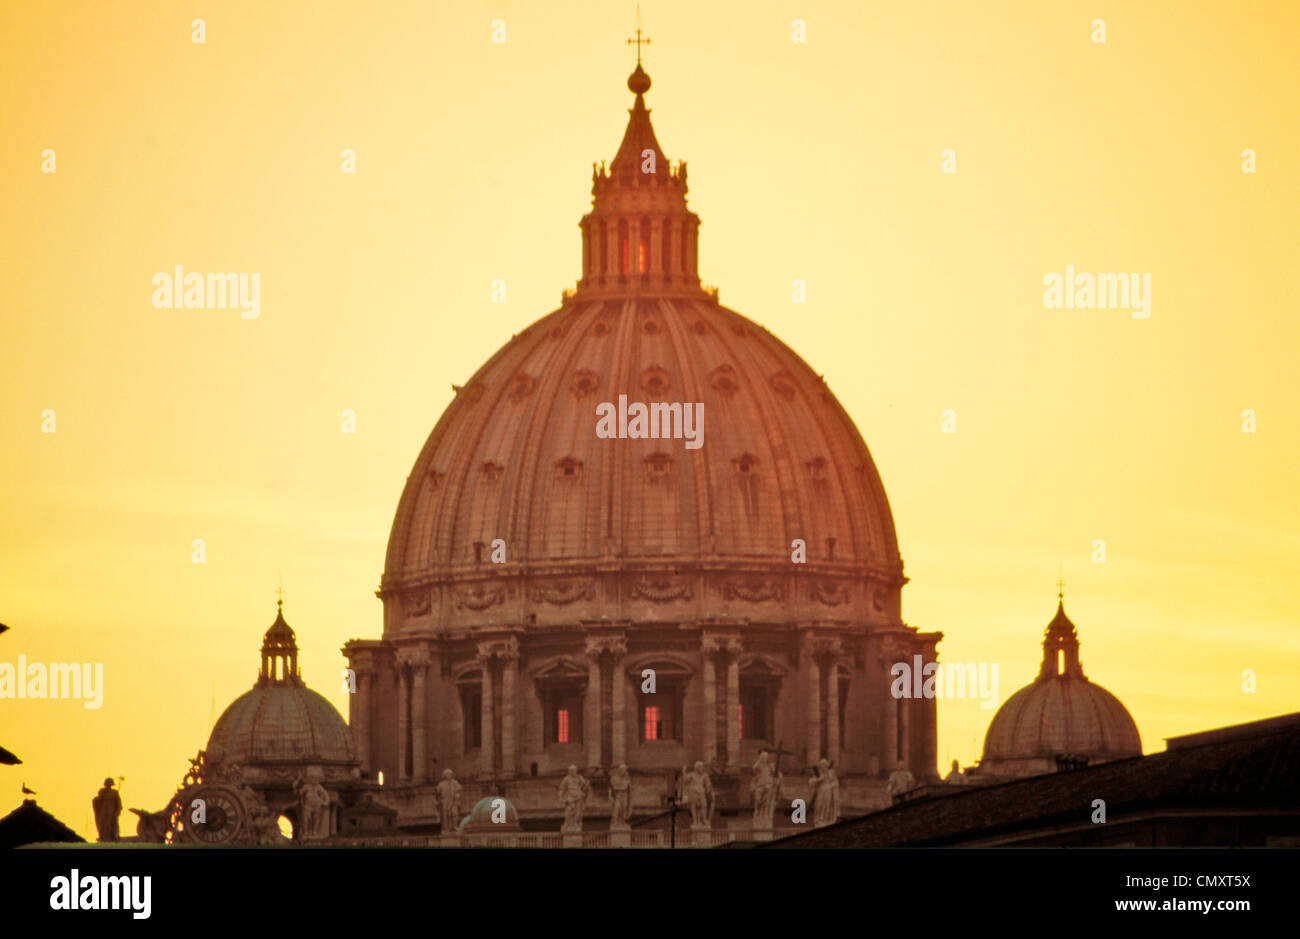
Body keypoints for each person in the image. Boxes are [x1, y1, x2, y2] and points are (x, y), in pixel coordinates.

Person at [557, 765, 590, 832]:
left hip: (579, 796)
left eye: (574, 770)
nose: (573, 772)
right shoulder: (566, 779)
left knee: (578, 812)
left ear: (576, 771)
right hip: (570, 797)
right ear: (569, 771)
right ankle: (567, 824)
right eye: (571, 770)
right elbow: (561, 789)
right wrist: (561, 797)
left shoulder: (579, 778)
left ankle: (576, 825)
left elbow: (585, 787)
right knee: (569, 812)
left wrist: (585, 789)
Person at [92, 777, 121, 842]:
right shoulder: (102, 791)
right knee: (103, 823)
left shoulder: (115, 792)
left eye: (110, 783)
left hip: (111, 809)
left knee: (112, 823)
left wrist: (117, 811)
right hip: (103, 809)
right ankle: (103, 836)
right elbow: (98, 799)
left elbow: (118, 802)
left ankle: (112, 836)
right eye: (108, 783)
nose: (109, 785)